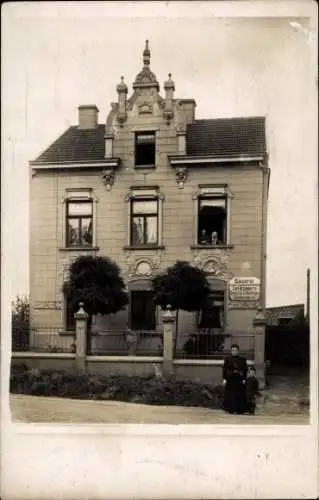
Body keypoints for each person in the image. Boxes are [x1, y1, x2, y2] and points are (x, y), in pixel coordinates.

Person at [222, 343, 248, 414]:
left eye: (235, 350)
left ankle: (239, 410)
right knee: (230, 395)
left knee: (239, 395)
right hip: (230, 380)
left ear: (238, 351)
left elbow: (245, 370)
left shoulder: (242, 360)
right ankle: (230, 409)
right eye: (232, 350)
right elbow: (224, 369)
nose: (234, 351)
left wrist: (244, 379)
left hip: (239, 380)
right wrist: (224, 379)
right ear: (231, 351)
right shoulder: (227, 359)